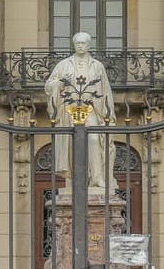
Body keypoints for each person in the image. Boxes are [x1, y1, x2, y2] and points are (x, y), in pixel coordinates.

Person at [43, 31, 117, 193]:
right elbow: (48, 87)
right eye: (78, 43)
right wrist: (61, 83)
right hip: (69, 109)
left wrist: (107, 114)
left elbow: (106, 91)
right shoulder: (63, 65)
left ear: (89, 45)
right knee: (72, 143)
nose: (80, 46)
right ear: (74, 45)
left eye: (83, 43)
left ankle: (97, 177)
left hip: (90, 108)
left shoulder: (97, 66)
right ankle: (76, 179)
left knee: (93, 138)